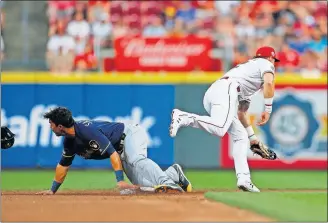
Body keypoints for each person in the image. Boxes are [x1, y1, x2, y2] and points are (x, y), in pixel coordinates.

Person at [169, 46, 280, 192]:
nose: (274, 64)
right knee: (220, 128)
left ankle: (244, 179)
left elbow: (241, 113)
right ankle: (183, 117)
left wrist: (252, 138)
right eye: (274, 60)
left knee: (241, 137)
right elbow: (269, 83)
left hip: (217, 93)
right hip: (226, 90)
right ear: (270, 58)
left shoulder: (249, 76)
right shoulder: (265, 63)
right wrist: (268, 109)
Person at [37, 107, 192, 195]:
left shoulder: (86, 131)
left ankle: (168, 183)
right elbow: (63, 166)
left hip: (130, 135)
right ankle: (172, 173)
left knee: (136, 160)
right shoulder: (69, 142)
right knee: (133, 191)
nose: (50, 126)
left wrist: (120, 180)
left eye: (51, 123)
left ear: (60, 126)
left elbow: (112, 153)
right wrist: (52, 190)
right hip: (120, 149)